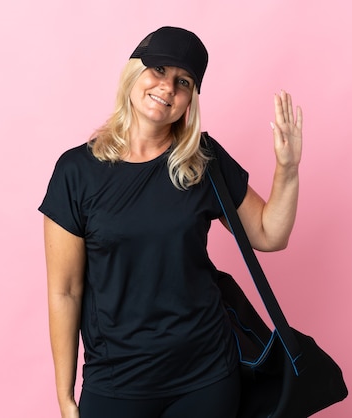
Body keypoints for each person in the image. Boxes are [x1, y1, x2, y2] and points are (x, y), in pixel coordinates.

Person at [39, 26, 302, 418]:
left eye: (184, 81)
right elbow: (65, 291)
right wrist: (64, 397)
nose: (167, 87)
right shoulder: (76, 172)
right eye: (158, 69)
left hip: (206, 375)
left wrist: (288, 168)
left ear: (190, 99)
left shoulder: (202, 161)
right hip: (116, 381)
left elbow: (268, 234)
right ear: (134, 72)